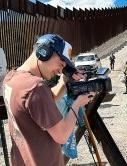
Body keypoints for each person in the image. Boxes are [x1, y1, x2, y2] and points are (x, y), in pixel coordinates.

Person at [2, 34, 93, 165]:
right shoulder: (36, 87)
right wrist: (77, 103)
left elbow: (48, 99)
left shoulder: (11, 78)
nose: (60, 71)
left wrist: (64, 81)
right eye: (61, 64)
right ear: (44, 52)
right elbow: (62, 136)